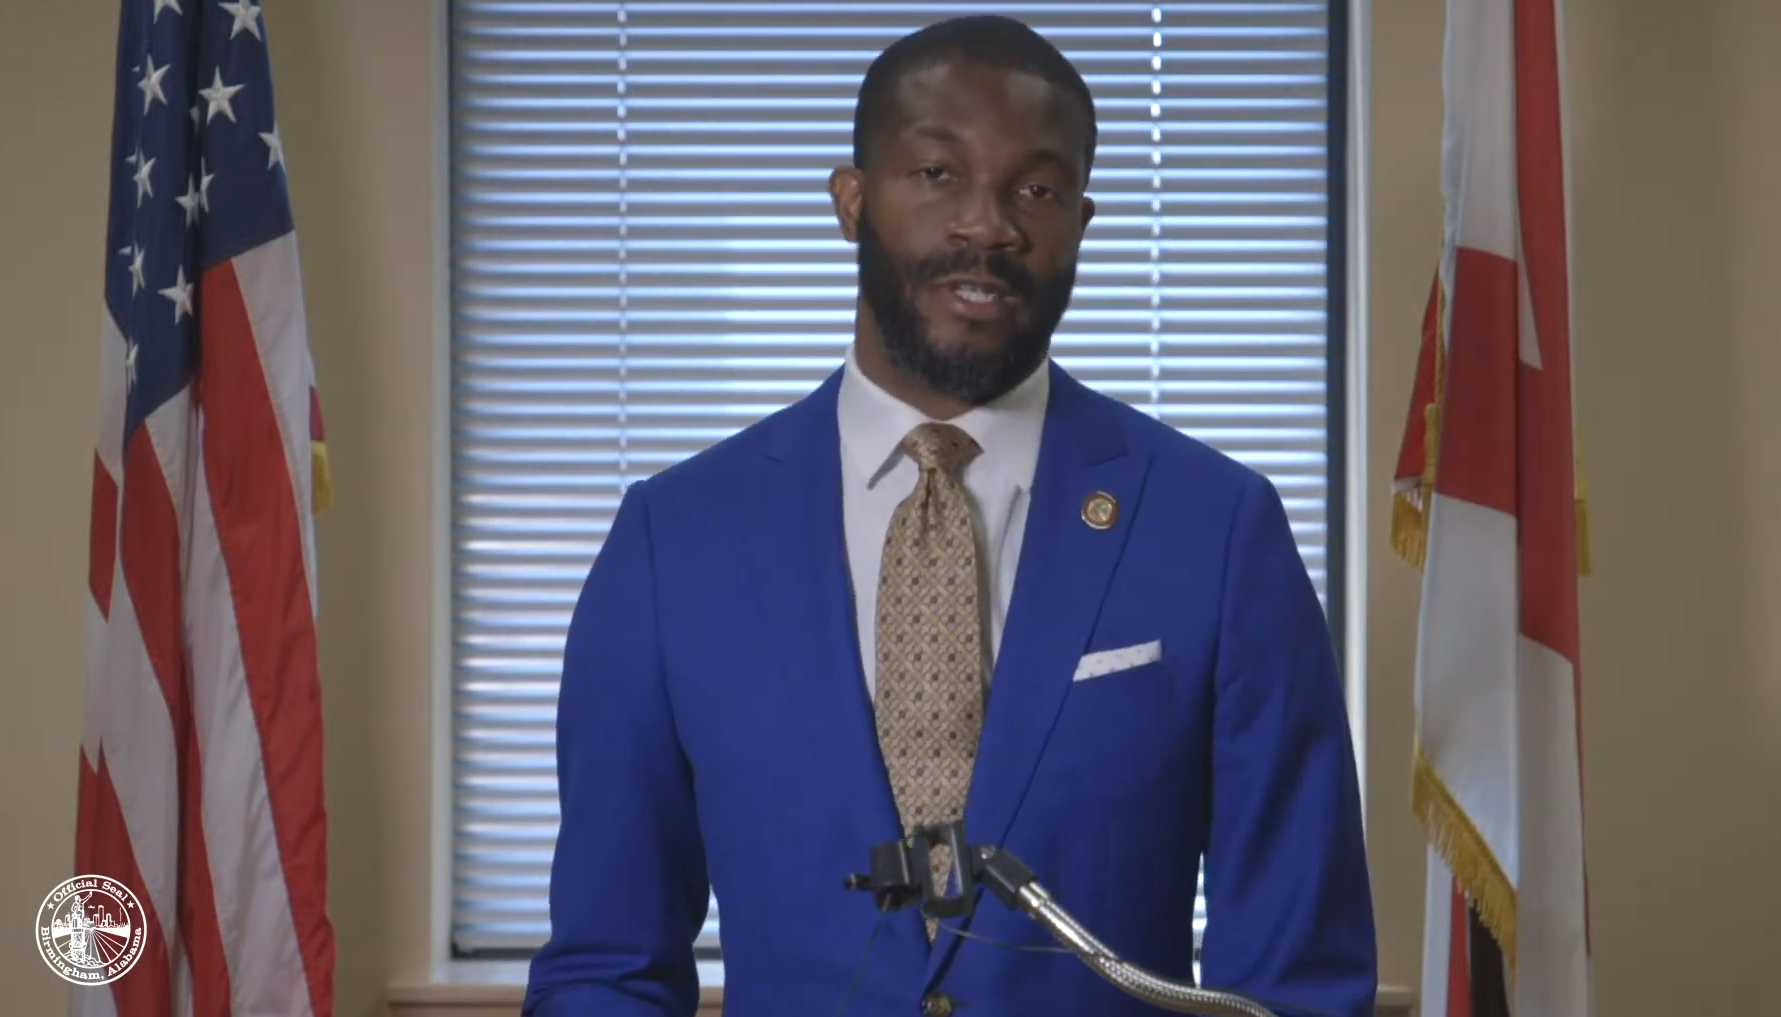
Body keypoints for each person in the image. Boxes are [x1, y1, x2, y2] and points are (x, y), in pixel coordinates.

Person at [523, 14, 1376, 1017]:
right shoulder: (673, 543)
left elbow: (1296, 982)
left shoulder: (1218, 529)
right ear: (851, 201)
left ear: (1081, 223)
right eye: (938, 174)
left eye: (1038, 189)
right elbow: (606, 969)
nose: (989, 225)